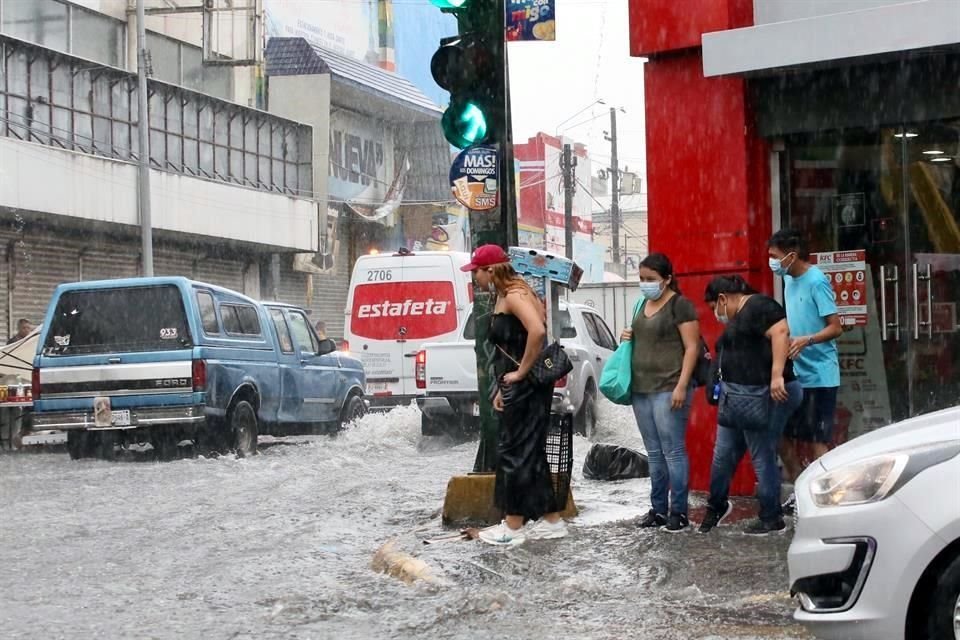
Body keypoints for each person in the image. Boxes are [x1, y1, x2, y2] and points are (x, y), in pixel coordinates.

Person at [461, 244, 568, 545]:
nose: (475, 280)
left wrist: (520, 373)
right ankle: (551, 520)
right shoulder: (511, 292)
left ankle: (513, 525)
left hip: (528, 385)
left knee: (515, 450)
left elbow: (537, 330)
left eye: (477, 273)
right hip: (521, 385)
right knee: (529, 452)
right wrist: (502, 387)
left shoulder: (515, 294)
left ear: (491, 270)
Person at [698, 275, 803, 535]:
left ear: (722, 298)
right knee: (722, 455)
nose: (716, 315)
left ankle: (771, 516)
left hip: (764, 395)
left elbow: (780, 331)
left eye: (714, 308)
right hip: (739, 398)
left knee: (762, 451)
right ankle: (716, 505)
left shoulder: (757, 306)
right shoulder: (740, 317)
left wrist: (777, 375)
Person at [619, 253, 701, 532]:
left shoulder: (681, 306)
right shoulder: (642, 304)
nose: (645, 284)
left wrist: (681, 384)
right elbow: (639, 338)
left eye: (651, 279)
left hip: (669, 388)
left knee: (673, 452)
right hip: (641, 389)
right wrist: (626, 336)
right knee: (654, 453)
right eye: (641, 279)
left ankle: (678, 512)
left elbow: (692, 347)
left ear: (667, 279)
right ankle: (658, 509)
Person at [768, 230, 843, 512]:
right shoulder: (788, 278)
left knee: (817, 441)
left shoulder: (817, 280)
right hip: (795, 373)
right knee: (782, 435)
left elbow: (836, 327)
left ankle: (824, 501)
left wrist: (806, 339)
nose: (772, 262)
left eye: (775, 257)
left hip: (821, 375)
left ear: (792, 254)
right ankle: (801, 492)